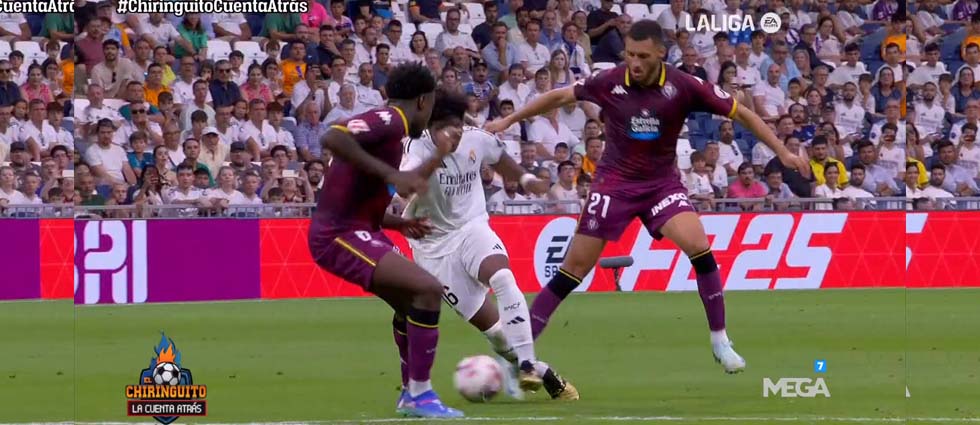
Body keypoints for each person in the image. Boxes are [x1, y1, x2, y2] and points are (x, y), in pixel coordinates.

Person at [485, 20, 808, 374]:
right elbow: (560, 95)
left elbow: (742, 113)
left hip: (661, 185)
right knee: (574, 269)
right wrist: (508, 121)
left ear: (660, 54)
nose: (634, 63)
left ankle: (720, 340)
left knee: (699, 246)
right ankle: (519, 355)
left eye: (641, 56)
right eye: (629, 54)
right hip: (614, 185)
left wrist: (784, 152)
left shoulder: (684, 85)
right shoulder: (610, 81)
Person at [307, 63, 464, 418]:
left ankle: (412, 394)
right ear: (424, 100)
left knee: (412, 300)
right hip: (337, 236)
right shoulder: (390, 119)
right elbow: (332, 137)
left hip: (363, 229)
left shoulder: (393, 133)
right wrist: (393, 173)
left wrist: (398, 223)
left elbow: (365, 192)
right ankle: (419, 394)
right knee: (427, 288)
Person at [401, 92, 579, 401]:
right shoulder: (417, 147)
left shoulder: (474, 138)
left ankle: (526, 365)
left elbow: (500, 158)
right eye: (445, 128)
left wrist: (525, 179)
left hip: (472, 227)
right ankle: (543, 370)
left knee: (502, 277)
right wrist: (438, 155)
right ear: (430, 126)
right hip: (432, 247)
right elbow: (406, 184)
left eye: (456, 127)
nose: (453, 134)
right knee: (495, 332)